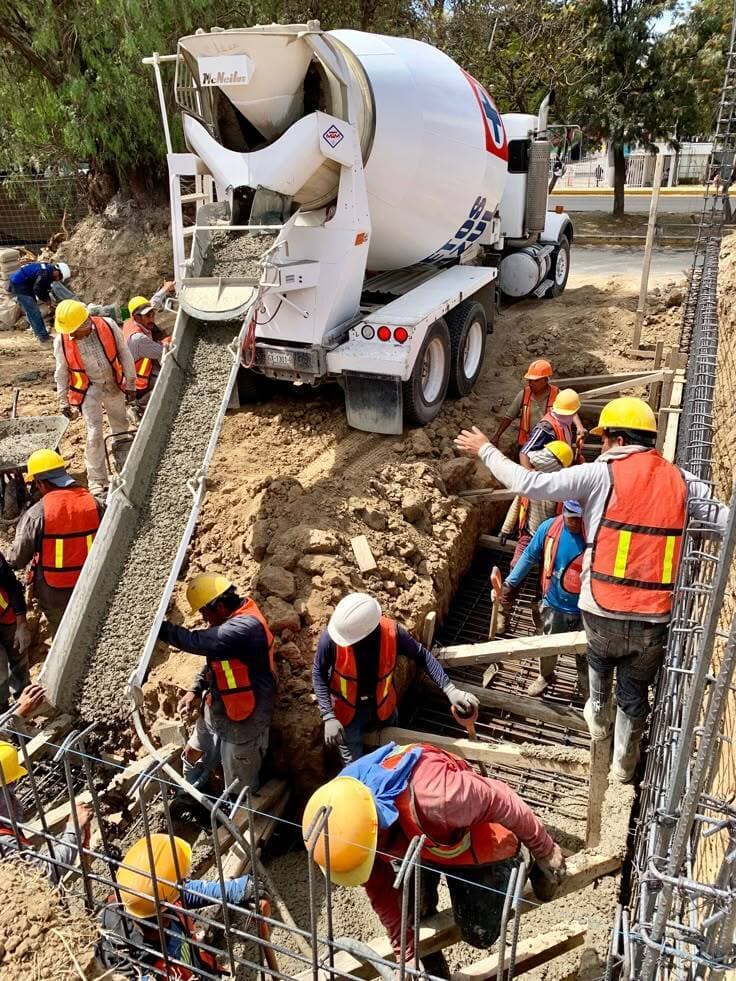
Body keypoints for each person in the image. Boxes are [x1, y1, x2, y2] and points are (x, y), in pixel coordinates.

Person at [455, 397, 729, 782]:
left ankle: (598, 721)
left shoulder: (599, 474)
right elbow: (725, 523)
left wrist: (485, 448)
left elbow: (529, 482)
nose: (603, 448)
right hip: (655, 617)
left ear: (618, 440)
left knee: (599, 670)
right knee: (634, 694)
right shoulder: (683, 480)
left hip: (602, 609)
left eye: (606, 440)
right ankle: (623, 769)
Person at [302, 742, 566, 960]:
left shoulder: (440, 797)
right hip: (419, 841)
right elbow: (380, 889)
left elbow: (500, 798)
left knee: (480, 932)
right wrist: (405, 954)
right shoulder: (348, 822)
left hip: (472, 834)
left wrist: (544, 849)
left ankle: (522, 857)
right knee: (415, 916)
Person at [312, 592, 479, 764]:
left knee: (392, 756)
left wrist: (449, 689)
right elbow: (318, 674)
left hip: (384, 706)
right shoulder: (331, 639)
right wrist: (328, 716)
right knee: (356, 766)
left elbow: (422, 656)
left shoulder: (393, 634)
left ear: (366, 633)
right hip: (347, 714)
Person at [159, 573, 277, 795]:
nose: (203, 618)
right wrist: (195, 689)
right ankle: (190, 795)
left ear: (220, 606)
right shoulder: (228, 622)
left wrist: (157, 626)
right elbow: (218, 663)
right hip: (217, 709)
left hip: (246, 719)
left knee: (237, 783)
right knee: (193, 754)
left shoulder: (244, 627)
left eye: (204, 611)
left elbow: (195, 641)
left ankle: (234, 812)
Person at [97, 833, 255, 979]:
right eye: (181, 883)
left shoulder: (140, 901)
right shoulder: (148, 972)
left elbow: (185, 892)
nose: (184, 885)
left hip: (196, 965)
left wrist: (235, 889)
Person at [0, 684, 93, 881]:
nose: (15, 783)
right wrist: (73, 829)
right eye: (11, 783)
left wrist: (17, 713)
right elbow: (47, 871)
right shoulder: (4, 842)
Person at [6, 450, 102, 639]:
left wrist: (5, 559)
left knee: (64, 635)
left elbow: (18, 558)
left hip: (55, 592)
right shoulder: (95, 503)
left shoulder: (37, 514)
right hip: (93, 582)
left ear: (41, 483)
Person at [502, 501, 587, 697]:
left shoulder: (596, 533)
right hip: (554, 604)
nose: (575, 523)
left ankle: (586, 685)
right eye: (571, 517)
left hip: (585, 608)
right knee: (548, 646)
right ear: (564, 510)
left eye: (579, 518)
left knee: (586, 653)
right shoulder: (550, 528)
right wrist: (509, 583)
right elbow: (529, 555)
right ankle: (545, 676)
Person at [53, 298, 136, 498]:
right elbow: (61, 372)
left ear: (86, 323)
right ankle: (97, 480)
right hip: (88, 389)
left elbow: (125, 354)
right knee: (94, 433)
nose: (71, 335)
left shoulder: (108, 325)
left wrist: (131, 384)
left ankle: (125, 468)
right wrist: (63, 400)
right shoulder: (62, 341)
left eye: (74, 330)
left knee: (120, 427)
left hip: (113, 383)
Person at [123, 283, 175, 410]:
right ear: (137, 317)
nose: (152, 318)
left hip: (140, 366)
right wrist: (169, 341)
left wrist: (165, 289)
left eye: (152, 314)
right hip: (137, 383)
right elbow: (164, 351)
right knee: (167, 383)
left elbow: (153, 302)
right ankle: (138, 406)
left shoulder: (131, 321)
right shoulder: (138, 339)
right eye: (148, 315)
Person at [491, 360, 560, 449]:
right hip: (527, 443)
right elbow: (509, 416)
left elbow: (570, 415)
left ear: (545, 380)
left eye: (535, 381)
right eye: (529, 381)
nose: (531, 384)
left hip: (549, 445)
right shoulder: (524, 394)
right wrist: (497, 436)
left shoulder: (558, 395)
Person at [7, 261, 71, 344]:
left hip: (25, 284)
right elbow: (38, 290)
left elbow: (44, 288)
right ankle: (43, 338)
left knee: (32, 311)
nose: (58, 280)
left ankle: (40, 334)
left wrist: (49, 302)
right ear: (57, 271)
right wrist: (48, 302)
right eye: (60, 277)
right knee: (34, 312)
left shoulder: (48, 271)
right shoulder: (45, 274)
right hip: (19, 286)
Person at [519, 388, 584, 470]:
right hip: (545, 470)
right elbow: (524, 452)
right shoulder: (545, 428)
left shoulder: (565, 420)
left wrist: (579, 427)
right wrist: (530, 473)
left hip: (559, 469)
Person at [0, 553, 31, 715]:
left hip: (6, 616)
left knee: (18, 653)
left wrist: (21, 624)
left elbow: (12, 585)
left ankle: (26, 701)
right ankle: (3, 712)